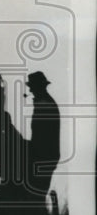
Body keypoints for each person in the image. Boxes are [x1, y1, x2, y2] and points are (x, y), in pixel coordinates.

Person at [26, 70, 60, 202]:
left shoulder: (44, 104)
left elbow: (42, 136)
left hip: (43, 158)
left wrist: (29, 147)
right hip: (45, 157)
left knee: (35, 199)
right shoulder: (45, 102)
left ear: (39, 87)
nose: (31, 91)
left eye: (32, 87)